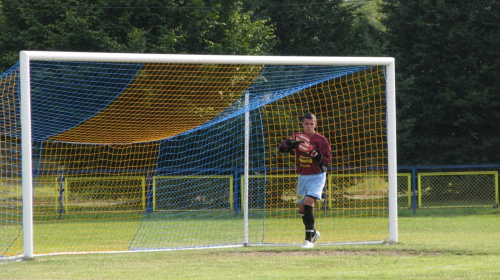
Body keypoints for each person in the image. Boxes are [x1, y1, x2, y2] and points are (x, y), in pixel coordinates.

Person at [278, 112, 332, 248]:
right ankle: (313, 232)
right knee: (301, 209)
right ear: (302, 124)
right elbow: (281, 149)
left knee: (308, 202)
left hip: (317, 176)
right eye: (306, 124)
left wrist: (313, 153)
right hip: (302, 176)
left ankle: (309, 240)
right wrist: (291, 141)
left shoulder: (321, 140)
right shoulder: (298, 138)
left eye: (311, 124)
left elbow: (327, 161)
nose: (309, 126)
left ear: (315, 124)